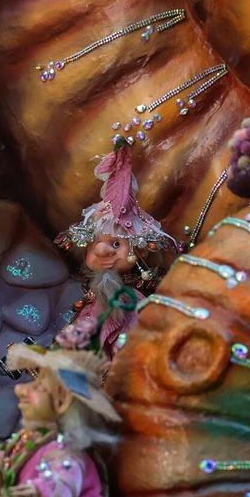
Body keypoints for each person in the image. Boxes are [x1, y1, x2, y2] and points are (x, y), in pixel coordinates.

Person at [0, 345, 118, 497]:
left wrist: (40, 493)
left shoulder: (67, 455)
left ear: (62, 402)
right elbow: (6, 457)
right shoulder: (33, 439)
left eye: (38, 386)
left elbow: (64, 484)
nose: (20, 390)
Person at [54, 143, 175, 358]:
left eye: (116, 244)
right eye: (94, 243)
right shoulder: (98, 298)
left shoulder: (129, 300)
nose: (101, 251)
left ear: (142, 251)